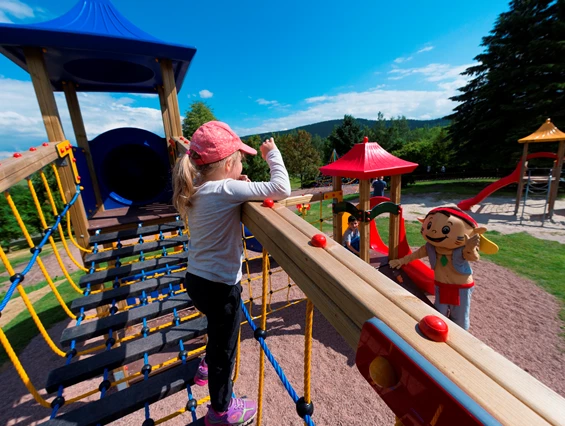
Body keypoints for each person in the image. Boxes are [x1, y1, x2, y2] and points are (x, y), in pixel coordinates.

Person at [172, 121, 291, 426]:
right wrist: (272, 154)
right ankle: (221, 412)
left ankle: (205, 369)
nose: (242, 164)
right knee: (226, 349)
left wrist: (240, 182)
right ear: (228, 165)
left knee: (216, 330)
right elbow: (282, 189)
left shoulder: (200, 187)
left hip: (196, 280)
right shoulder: (227, 188)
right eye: (239, 159)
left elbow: (227, 192)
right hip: (221, 287)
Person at [389, 207, 498, 330]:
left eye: (446, 229)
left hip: (460, 287)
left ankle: (461, 337)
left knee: (460, 317)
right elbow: (415, 255)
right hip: (441, 285)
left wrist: (471, 248)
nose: (434, 232)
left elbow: (473, 257)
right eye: (429, 225)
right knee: (439, 313)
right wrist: (401, 261)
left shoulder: (462, 249)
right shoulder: (431, 247)